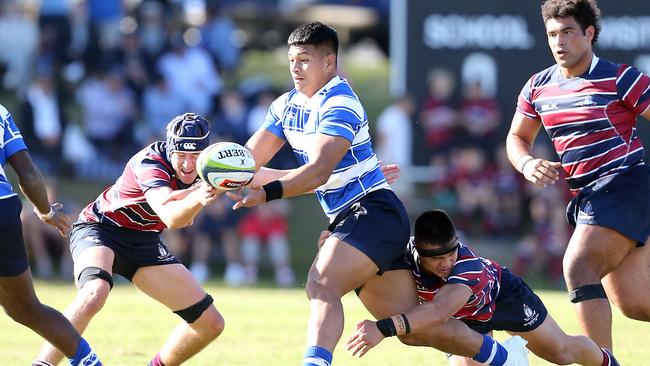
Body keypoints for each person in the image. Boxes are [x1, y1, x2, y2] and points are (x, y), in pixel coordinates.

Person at [227, 22, 529, 366]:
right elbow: (248, 161)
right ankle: (505, 359)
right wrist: (219, 177)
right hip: (353, 219)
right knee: (413, 327)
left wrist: (264, 194)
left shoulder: (340, 103)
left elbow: (318, 172)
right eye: (292, 60)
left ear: (329, 63)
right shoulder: (285, 106)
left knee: (322, 283)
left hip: (373, 213)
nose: (295, 68)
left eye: (305, 60)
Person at [506, 0, 650, 350]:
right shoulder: (538, 87)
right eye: (552, 34)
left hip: (625, 184)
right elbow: (517, 138)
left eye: (568, 32)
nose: (559, 42)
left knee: (579, 267)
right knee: (636, 303)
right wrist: (527, 163)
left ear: (589, 33)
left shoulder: (620, 78)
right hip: (587, 196)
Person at [34, 113, 225, 366]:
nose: (188, 165)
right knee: (95, 292)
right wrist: (200, 196)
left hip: (144, 240)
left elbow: (244, 181)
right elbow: (172, 217)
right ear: (169, 149)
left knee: (210, 323)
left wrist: (241, 182)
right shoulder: (150, 162)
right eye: (181, 155)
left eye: (195, 156)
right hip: (101, 228)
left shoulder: (206, 168)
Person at [345, 209, 619, 366]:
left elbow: (440, 311)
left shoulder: (468, 268)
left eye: (450, 254)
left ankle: (607, 361)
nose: (446, 263)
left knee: (561, 353)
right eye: (437, 258)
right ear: (417, 251)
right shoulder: (403, 255)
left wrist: (382, 328)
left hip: (502, 297)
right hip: (464, 319)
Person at [0, 104, 102, 366]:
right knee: (25, 308)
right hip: (4, 210)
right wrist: (46, 212)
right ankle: (88, 362)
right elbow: (29, 174)